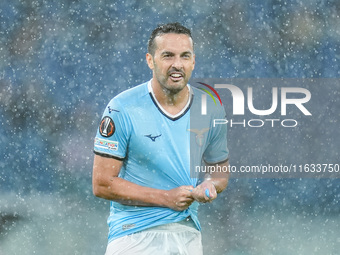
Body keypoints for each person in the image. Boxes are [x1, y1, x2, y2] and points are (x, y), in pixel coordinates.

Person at [92, 22, 230, 255]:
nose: (177, 64)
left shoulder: (210, 109)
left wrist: (210, 185)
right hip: (133, 234)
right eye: (168, 56)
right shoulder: (121, 108)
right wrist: (166, 198)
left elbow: (220, 171)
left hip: (187, 236)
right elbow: (102, 183)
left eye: (184, 56)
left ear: (193, 61)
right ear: (150, 60)